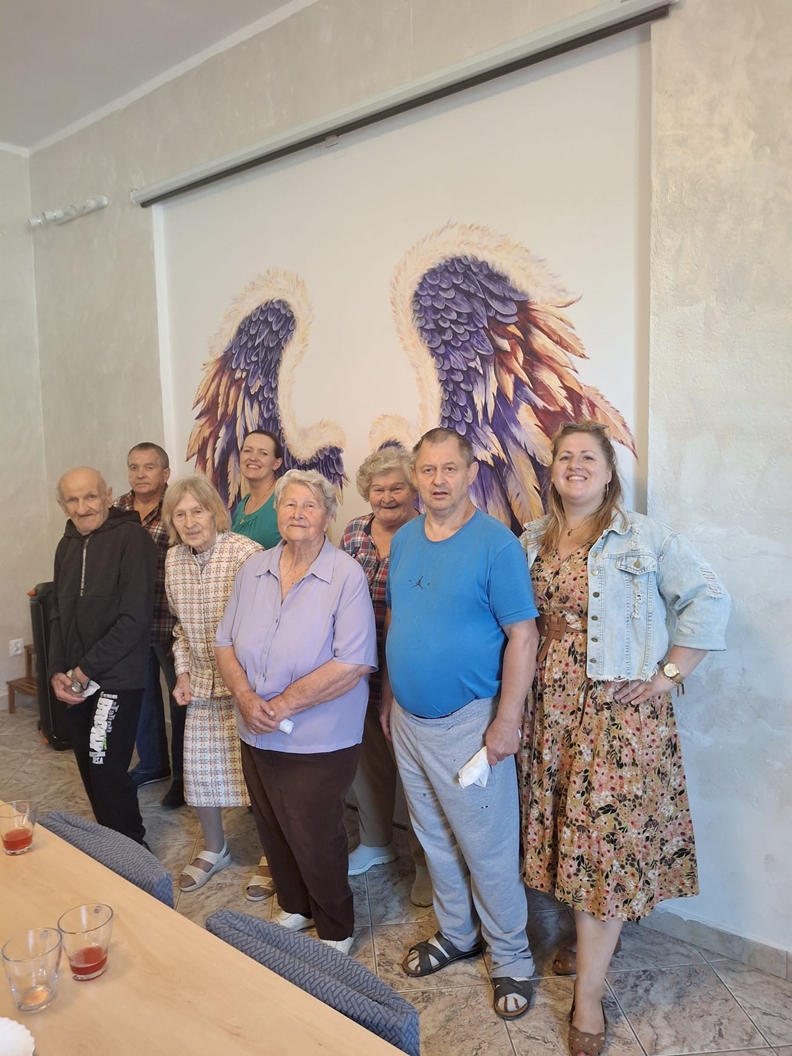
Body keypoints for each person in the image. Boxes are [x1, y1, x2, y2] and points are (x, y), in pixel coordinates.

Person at [518, 420, 730, 1056]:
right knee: (566, 837)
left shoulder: (643, 535)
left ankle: (588, 998)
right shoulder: (531, 537)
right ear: (552, 470)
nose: (575, 465)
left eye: (589, 456)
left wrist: (669, 675)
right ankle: (586, 945)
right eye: (565, 456)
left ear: (609, 472)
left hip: (616, 715)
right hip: (548, 708)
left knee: (603, 852)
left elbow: (709, 598)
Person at [382, 427, 539, 1020]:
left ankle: (511, 957)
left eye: (450, 469)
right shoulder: (404, 540)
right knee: (433, 838)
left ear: (471, 473)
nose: (438, 480)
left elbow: (523, 636)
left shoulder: (496, 545)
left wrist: (507, 721)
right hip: (409, 721)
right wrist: (389, 697)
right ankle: (457, 933)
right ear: (415, 476)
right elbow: (397, 619)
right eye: (428, 470)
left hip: (469, 725)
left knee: (487, 849)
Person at [215, 469, 377, 955]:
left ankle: (335, 926)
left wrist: (281, 704)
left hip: (319, 735)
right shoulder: (253, 569)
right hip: (255, 727)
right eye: (290, 504)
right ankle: (296, 904)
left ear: (328, 516)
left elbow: (352, 663)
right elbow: (224, 642)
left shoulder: (345, 574)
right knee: (272, 822)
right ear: (277, 512)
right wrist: (246, 698)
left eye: (310, 505)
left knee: (316, 833)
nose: (299, 513)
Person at [339, 449, 431, 907]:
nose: (387, 497)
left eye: (397, 487)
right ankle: (376, 841)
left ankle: (426, 865)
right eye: (379, 489)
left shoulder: (427, 532)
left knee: (417, 777)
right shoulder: (354, 531)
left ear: (414, 490)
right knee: (368, 761)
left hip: (408, 665)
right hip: (358, 665)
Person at [162, 476, 262, 892]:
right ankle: (215, 848)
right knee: (200, 772)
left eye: (197, 511)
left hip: (247, 683)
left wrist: (251, 686)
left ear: (214, 512)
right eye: (180, 515)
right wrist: (183, 672)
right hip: (202, 682)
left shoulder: (246, 554)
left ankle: (273, 855)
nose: (189, 522)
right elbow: (181, 630)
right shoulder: (173, 560)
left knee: (260, 778)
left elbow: (265, 625)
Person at [49, 467, 157, 843]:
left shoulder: (133, 539)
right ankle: (111, 846)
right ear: (63, 505)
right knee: (88, 765)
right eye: (73, 500)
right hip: (76, 679)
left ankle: (132, 849)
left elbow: (134, 618)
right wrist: (57, 671)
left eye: (90, 496)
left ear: (108, 495)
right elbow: (58, 614)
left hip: (117, 677)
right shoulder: (65, 546)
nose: (83, 507)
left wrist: (84, 670)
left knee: (106, 765)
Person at [115, 442, 186, 808]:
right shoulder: (117, 511)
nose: (140, 474)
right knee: (142, 698)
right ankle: (153, 764)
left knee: (181, 701)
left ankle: (184, 778)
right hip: (132, 624)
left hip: (172, 622)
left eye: (149, 467)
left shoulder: (178, 507)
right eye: (134, 467)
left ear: (165, 473)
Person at [230, 430, 283, 549]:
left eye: (263, 453)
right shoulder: (242, 505)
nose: (253, 457)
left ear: (276, 463)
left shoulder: (284, 498)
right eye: (247, 451)